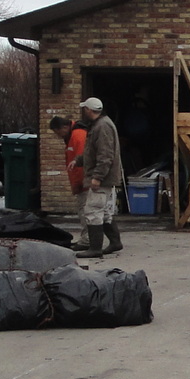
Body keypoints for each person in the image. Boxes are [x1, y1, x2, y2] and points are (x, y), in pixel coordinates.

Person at [76, 97, 123, 258]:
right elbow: (93, 152)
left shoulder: (102, 127)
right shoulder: (102, 124)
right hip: (106, 177)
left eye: (85, 109)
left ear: (89, 110)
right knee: (104, 212)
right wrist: (79, 160)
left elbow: (105, 155)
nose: (84, 111)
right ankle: (115, 242)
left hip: (102, 178)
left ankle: (95, 248)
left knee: (93, 210)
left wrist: (97, 177)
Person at [49, 113, 88, 198]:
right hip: (83, 185)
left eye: (58, 132)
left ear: (65, 127)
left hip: (84, 186)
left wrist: (78, 184)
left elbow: (81, 160)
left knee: (85, 209)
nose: (58, 136)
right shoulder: (71, 136)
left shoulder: (78, 136)